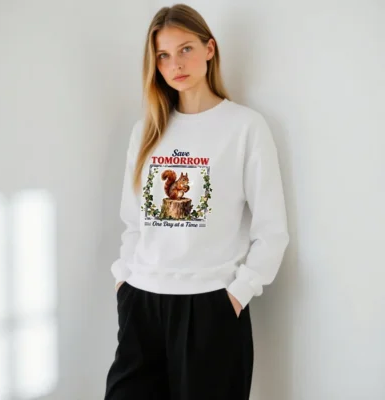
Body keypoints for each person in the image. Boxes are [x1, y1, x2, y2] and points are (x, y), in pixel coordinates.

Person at [104, 4, 289, 400]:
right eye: (163, 55)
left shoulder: (245, 127)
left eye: (185, 49)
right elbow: (133, 220)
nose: (175, 64)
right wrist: (125, 281)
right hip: (142, 302)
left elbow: (272, 230)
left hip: (211, 308)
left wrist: (238, 294)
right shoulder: (146, 131)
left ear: (209, 48)